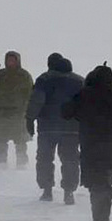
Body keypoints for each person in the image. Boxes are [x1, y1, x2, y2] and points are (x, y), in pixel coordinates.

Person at [62, 63, 112, 221]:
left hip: (89, 144)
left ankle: (98, 219)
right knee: (105, 181)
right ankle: (102, 220)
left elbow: (66, 113)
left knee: (94, 182)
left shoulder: (83, 95)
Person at [26, 53, 84, 203]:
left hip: (47, 127)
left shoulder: (44, 79)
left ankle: (47, 190)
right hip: (72, 128)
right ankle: (69, 192)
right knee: (70, 160)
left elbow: (36, 101)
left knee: (45, 159)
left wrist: (30, 119)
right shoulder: (80, 81)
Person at [0, 51, 33, 168]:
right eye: (9, 60)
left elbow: (29, 94)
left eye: (13, 60)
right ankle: (1, 161)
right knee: (0, 139)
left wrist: (26, 109)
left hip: (18, 113)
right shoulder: (0, 75)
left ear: (18, 61)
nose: (11, 62)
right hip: (1, 112)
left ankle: (22, 163)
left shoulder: (24, 75)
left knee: (20, 140)